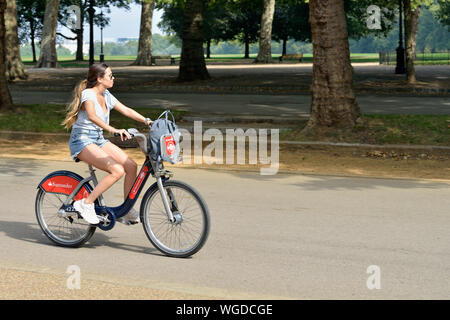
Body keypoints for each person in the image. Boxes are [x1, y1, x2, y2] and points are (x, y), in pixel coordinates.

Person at [62, 63, 152, 225]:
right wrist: (114, 130)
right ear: (99, 79)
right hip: (82, 140)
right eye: (110, 75)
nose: (113, 78)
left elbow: (126, 110)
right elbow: (92, 116)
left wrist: (147, 121)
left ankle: (126, 208)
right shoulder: (88, 94)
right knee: (117, 170)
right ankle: (86, 203)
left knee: (131, 166)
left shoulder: (107, 95)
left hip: (97, 139)